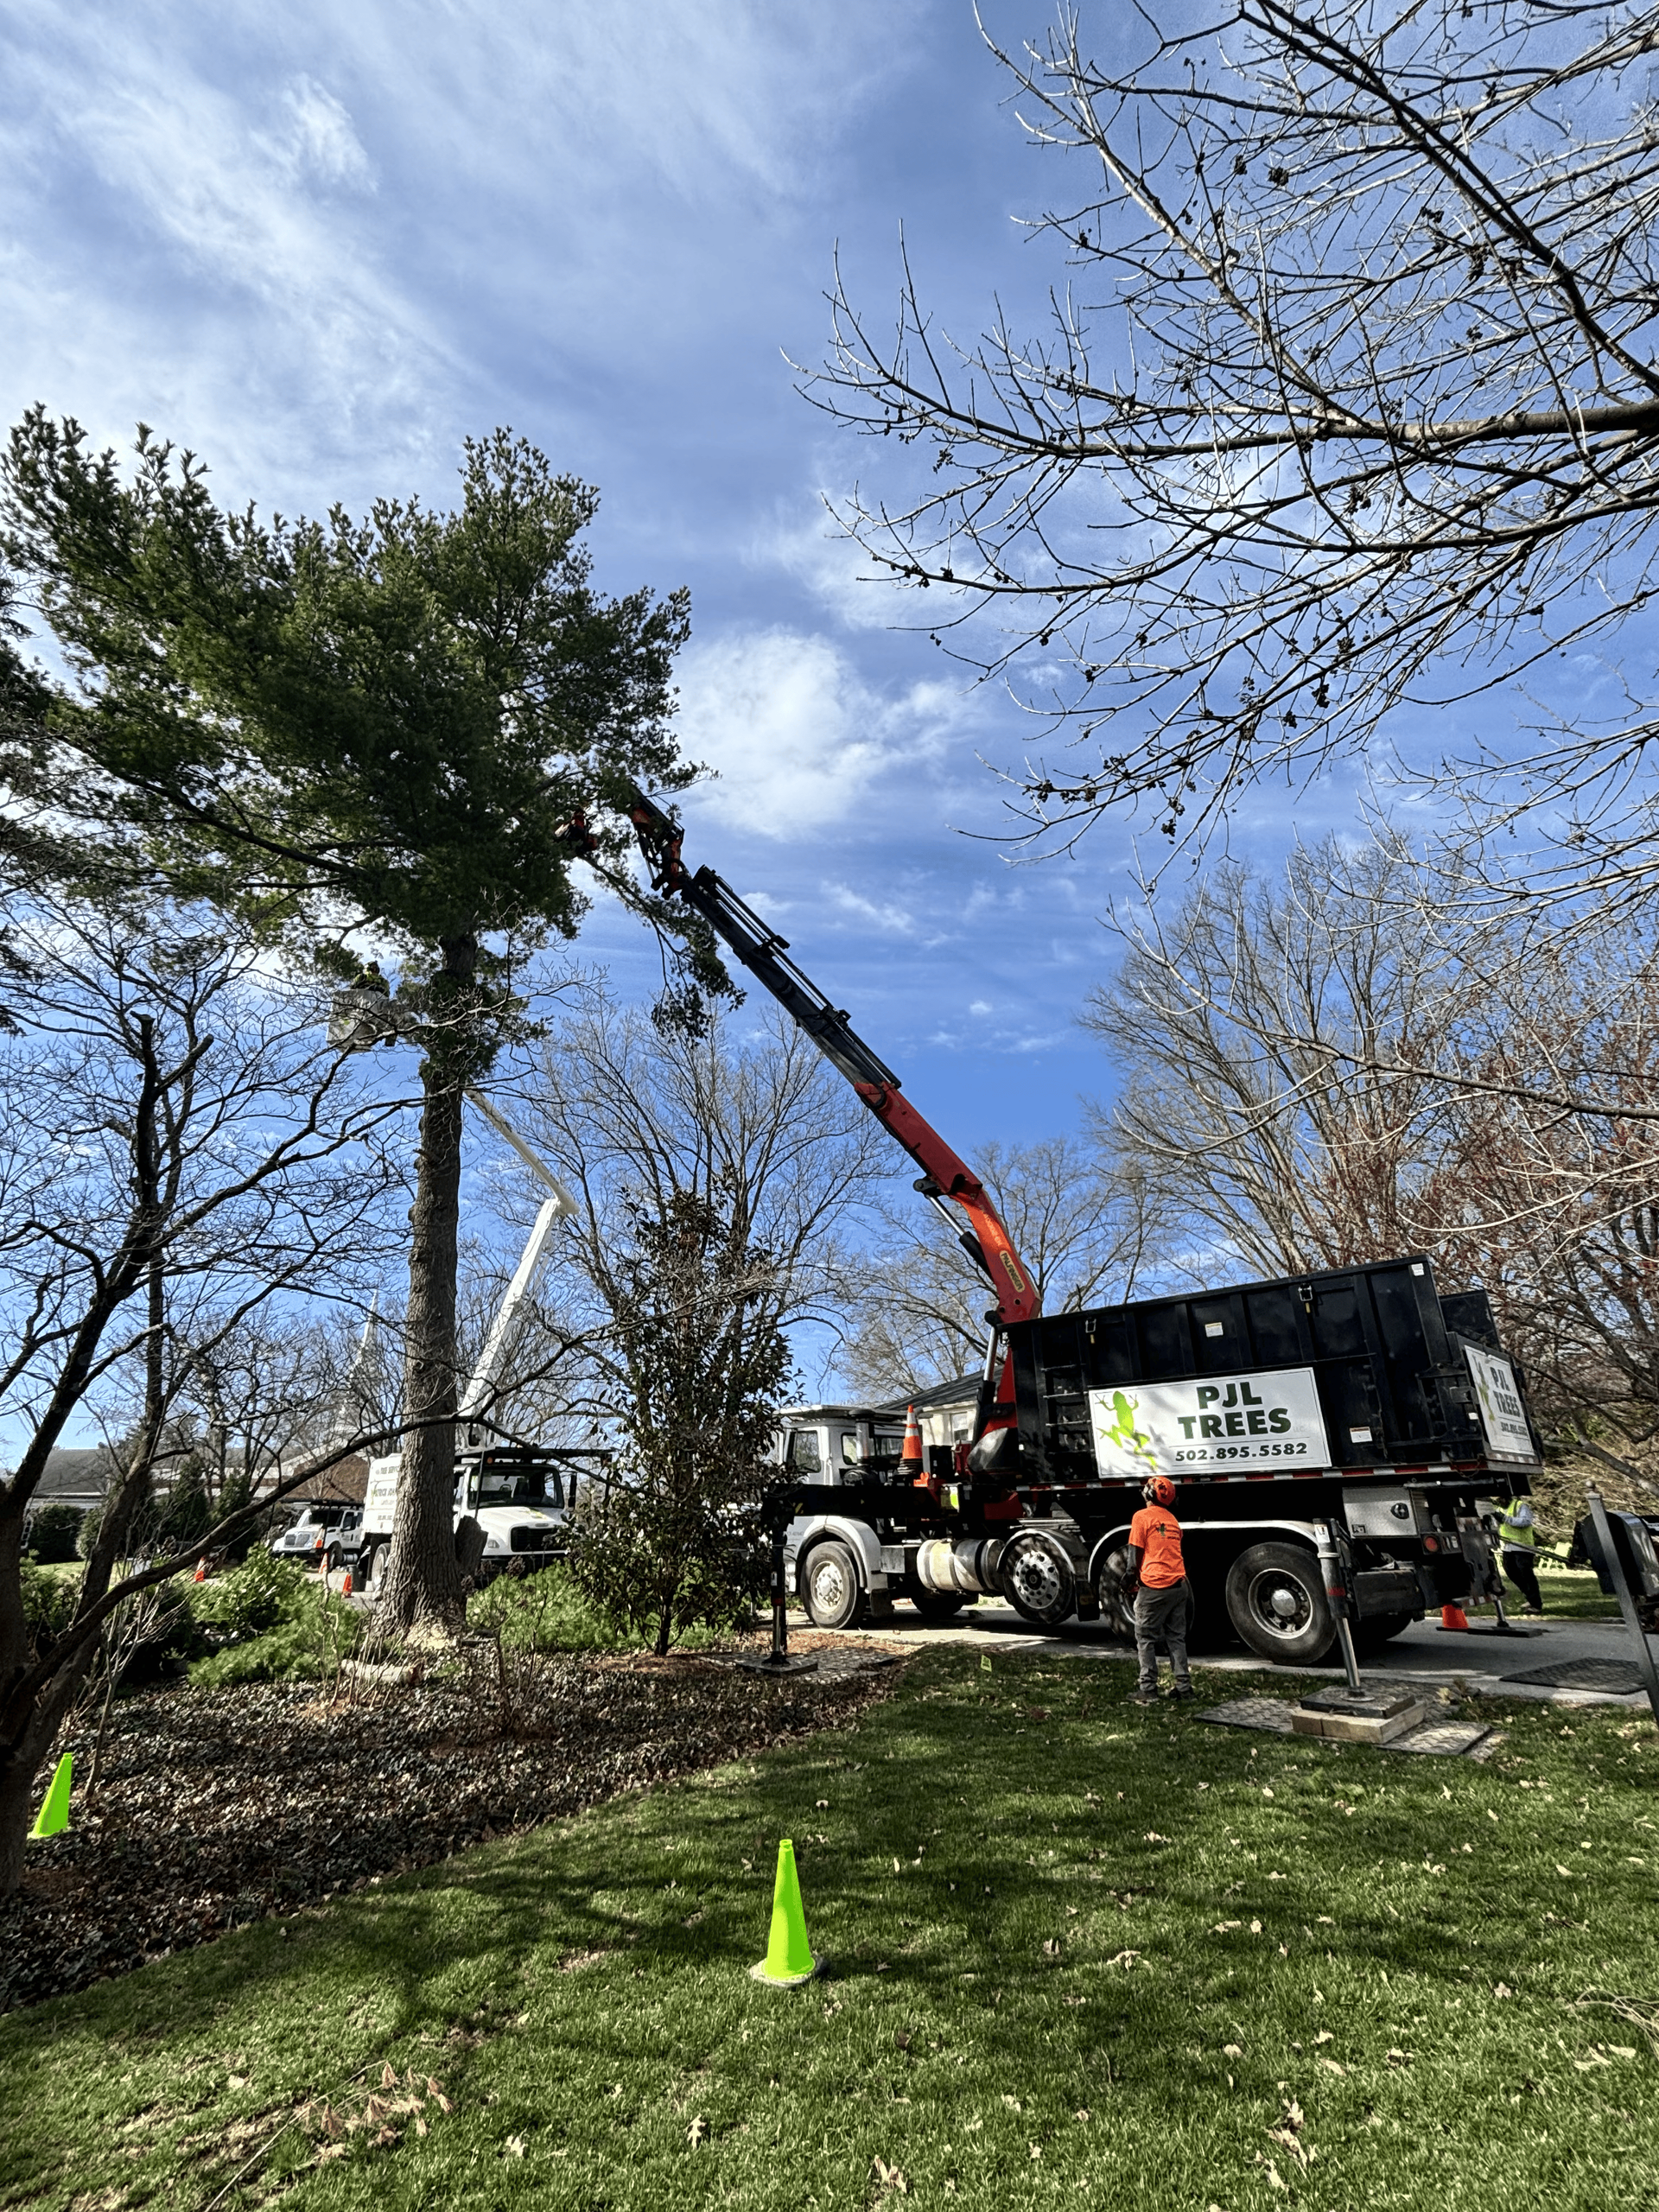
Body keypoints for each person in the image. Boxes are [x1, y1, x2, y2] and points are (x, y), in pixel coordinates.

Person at [1126, 1473, 1193, 1705]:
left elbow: (1134, 1554)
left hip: (1154, 1586)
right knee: (1176, 1638)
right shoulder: (1173, 1520)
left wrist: (1130, 1580)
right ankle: (1184, 1689)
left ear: (1149, 1494)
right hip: (1179, 1585)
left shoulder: (1141, 1517)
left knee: (1145, 1637)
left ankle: (1148, 1689)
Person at [1495, 1493, 1543, 1616]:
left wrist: (1506, 1519)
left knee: (1525, 1572)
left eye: (1502, 1498)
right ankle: (1530, 1597)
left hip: (1523, 1546)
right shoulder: (1499, 1509)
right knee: (1511, 1572)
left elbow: (1526, 1521)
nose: (1500, 1501)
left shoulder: (1520, 1506)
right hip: (1508, 1546)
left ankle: (1536, 1603)